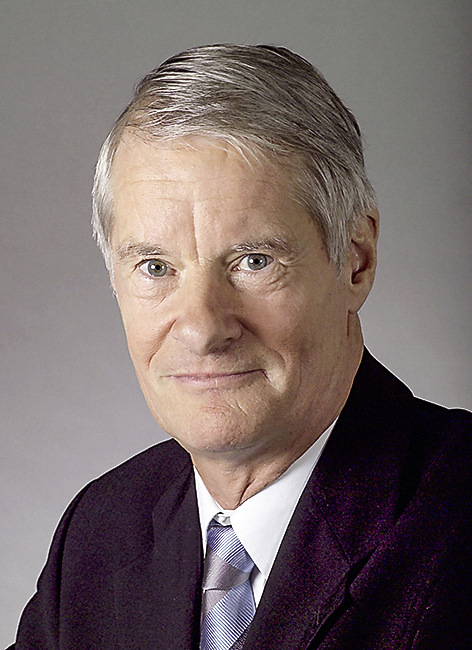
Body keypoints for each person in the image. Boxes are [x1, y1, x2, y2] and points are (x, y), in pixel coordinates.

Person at [11, 44, 471, 649]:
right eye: (155, 267)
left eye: (254, 261)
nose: (202, 329)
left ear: (355, 260)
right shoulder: (101, 533)